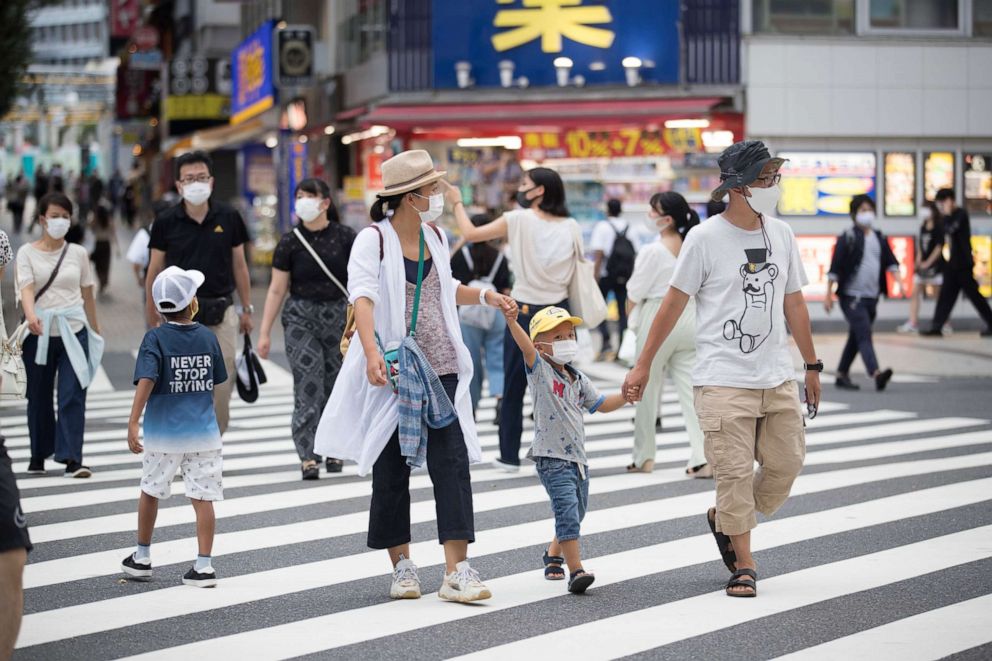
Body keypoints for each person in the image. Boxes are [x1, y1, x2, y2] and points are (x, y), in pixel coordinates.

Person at [313, 150, 516, 603]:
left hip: (440, 364)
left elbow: (447, 288)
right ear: (409, 197)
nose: (439, 195)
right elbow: (362, 298)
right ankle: (402, 565)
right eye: (432, 189)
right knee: (390, 469)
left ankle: (456, 570)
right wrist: (370, 354)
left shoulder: (437, 237)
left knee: (452, 463)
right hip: (395, 368)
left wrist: (486, 295)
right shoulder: (373, 240)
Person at [622, 140, 821, 599]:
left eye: (773, 176)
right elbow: (672, 304)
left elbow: (793, 302)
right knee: (732, 474)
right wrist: (643, 364)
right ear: (737, 186)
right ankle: (744, 563)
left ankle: (725, 521)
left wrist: (811, 365)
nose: (772, 185)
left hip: (776, 375)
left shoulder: (783, 235)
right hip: (720, 378)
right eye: (763, 178)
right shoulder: (705, 238)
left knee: (786, 464)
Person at [444, 167, 583, 471]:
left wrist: (456, 202)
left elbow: (470, 234)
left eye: (525, 184)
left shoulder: (517, 220)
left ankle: (509, 454)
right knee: (561, 387)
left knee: (514, 384)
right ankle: (565, 449)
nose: (521, 188)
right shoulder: (571, 225)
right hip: (560, 314)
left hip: (524, 312)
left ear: (539, 191)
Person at [503, 305, 626, 594]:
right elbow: (524, 345)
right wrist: (512, 322)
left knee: (576, 511)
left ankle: (553, 555)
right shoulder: (540, 370)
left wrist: (626, 395)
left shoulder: (577, 378)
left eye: (570, 334)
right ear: (540, 345)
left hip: (578, 459)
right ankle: (577, 570)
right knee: (568, 513)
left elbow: (602, 404)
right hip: (552, 457)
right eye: (558, 337)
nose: (567, 341)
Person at [122, 266, 227, 588]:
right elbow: (217, 380)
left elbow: (147, 379)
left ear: (157, 307)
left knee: (151, 490)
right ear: (192, 302)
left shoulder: (154, 338)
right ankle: (204, 565)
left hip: (162, 434)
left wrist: (133, 419)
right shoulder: (208, 336)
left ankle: (142, 557)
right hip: (204, 433)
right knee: (203, 497)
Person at [145, 151, 253, 435]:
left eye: (201, 177)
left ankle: (213, 439)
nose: (196, 183)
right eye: (189, 178)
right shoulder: (166, 221)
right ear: (179, 185)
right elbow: (154, 269)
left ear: (212, 181)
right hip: (177, 317)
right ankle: (186, 442)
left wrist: (247, 309)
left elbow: (240, 265)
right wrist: (151, 315)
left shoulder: (229, 217)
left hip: (222, 310)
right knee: (182, 381)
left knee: (222, 380)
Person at [258, 178, 355, 480]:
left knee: (336, 384)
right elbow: (276, 289)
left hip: (339, 317)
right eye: (299, 196)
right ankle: (308, 454)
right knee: (307, 382)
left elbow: (361, 282)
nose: (302, 201)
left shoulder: (346, 237)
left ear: (325, 202)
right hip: (300, 316)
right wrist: (263, 332)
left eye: (309, 196)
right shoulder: (289, 241)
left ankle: (335, 447)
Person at [17, 193, 104, 478]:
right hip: (38, 333)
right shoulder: (27, 253)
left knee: (72, 394)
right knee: (38, 397)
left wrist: (95, 330)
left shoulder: (78, 253)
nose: (60, 221)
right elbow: (26, 288)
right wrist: (30, 316)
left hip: (74, 331)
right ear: (42, 219)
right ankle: (39, 454)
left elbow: (87, 293)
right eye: (55, 215)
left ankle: (72, 459)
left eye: (66, 216)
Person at [625, 192, 707, 476]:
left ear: (667, 219)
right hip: (691, 315)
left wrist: (629, 321)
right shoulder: (691, 247)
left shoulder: (652, 250)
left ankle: (644, 456)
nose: (649, 213)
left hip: (657, 316)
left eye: (653, 209)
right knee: (691, 392)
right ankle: (703, 457)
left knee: (644, 389)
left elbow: (634, 293)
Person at [825, 195, 898, 391]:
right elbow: (835, 268)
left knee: (856, 336)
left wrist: (898, 281)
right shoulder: (848, 237)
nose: (868, 214)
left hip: (871, 297)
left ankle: (841, 374)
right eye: (863, 210)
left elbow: (891, 262)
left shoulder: (879, 237)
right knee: (864, 333)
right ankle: (876, 373)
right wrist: (828, 295)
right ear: (854, 214)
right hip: (851, 297)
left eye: (870, 209)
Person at [450, 213, 512, 418]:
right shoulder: (500, 257)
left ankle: (472, 405)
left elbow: (451, 283)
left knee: (472, 360)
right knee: (497, 356)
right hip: (495, 311)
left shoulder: (462, 255)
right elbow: (506, 287)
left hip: (468, 314)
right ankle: (501, 398)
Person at [921, 188, 992, 337]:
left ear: (950, 200)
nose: (941, 206)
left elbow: (950, 229)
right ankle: (937, 326)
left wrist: (946, 215)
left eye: (943, 202)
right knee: (946, 296)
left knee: (975, 297)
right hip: (952, 265)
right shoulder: (945, 217)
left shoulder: (961, 214)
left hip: (964, 265)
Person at [590, 198, 635, 361]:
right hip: (624, 274)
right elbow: (634, 252)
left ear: (608, 210)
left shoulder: (603, 226)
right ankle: (622, 347)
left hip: (606, 274)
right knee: (624, 310)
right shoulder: (629, 227)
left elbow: (599, 254)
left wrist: (595, 276)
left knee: (599, 308)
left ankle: (606, 342)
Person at [898, 203, 945, 334]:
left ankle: (943, 322)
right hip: (922, 266)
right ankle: (913, 322)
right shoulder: (923, 226)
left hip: (935, 266)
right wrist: (918, 260)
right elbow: (920, 247)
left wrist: (928, 262)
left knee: (938, 295)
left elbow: (939, 247)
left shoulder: (938, 227)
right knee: (915, 292)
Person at [89, 203, 119, 296]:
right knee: (104, 265)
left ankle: (103, 281)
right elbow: (114, 235)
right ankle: (103, 281)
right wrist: (117, 248)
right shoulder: (100, 221)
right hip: (105, 245)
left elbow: (91, 230)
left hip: (100, 244)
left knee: (99, 266)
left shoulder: (104, 221)